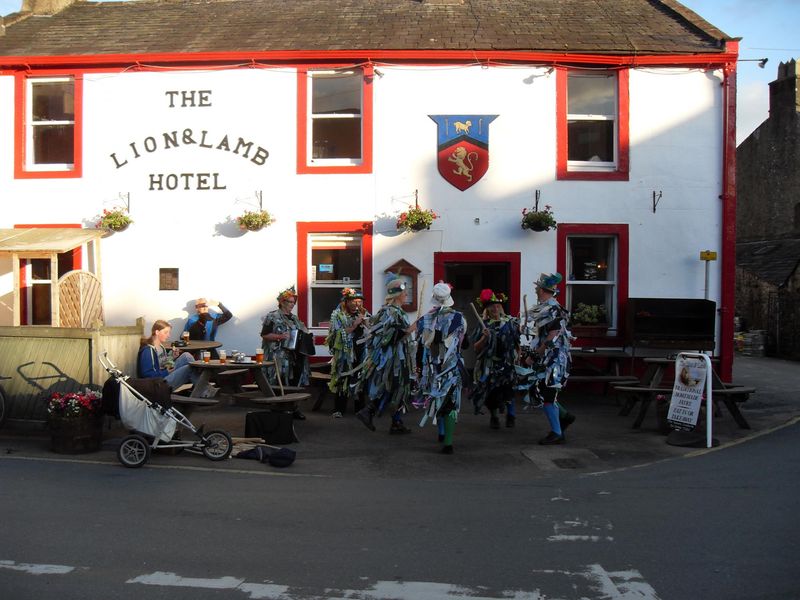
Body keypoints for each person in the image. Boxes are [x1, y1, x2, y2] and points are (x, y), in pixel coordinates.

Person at [355, 274, 416, 434]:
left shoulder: (397, 311)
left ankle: (395, 422)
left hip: (399, 356)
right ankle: (368, 411)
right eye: (404, 292)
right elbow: (387, 336)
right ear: (397, 294)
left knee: (398, 388)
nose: (407, 295)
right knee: (393, 386)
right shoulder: (389, 311)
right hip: (391, 359)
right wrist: (410, 329)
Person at [522, 273, 576, 445]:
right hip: (549, 358)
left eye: (538, 287)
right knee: (544, 392)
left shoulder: (553, 309)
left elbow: (552, 337)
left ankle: (557, 433)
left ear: (543, 290)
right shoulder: (546, 308)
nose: (536, 290)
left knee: (547, 394)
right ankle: (565, 417)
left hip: (554, 360)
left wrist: (534, 355)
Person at [416, 282, 467, 455]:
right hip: (451, 367)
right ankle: (448, 443)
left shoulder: (426, 319)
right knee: (450, 402)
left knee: (437, 397)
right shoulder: (460, 318)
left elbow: (421, 345)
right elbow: (463, 344)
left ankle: (441, 432)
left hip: (433, 367)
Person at [471, 288, 520, 429]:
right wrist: (484, 338)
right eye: (491, 306)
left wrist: (518, 356)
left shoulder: (510, 323)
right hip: (489, 364)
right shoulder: (483, 325)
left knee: (508, 390)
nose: (495, 308)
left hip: (507, 363)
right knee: (491, 392)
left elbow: (517, 343)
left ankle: (511, 415)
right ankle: (494, 416)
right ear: (487, 309)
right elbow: (475, 348)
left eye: (498, 305)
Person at [260, 286, 310, 419]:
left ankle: (293, 408)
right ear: (281, 302)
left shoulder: (294, 318)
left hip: (294, 356)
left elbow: (303, 331)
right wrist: (280, 337)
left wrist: (308, 337)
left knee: (294, 381)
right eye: (289, 302)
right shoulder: (272, 316)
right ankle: (277, 409)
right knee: (278, 380)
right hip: (277, 356)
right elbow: (264, 335)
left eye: (294, 302)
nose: (292, 305)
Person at [326, 287, 371, 418]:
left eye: (359, 302)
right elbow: (337, 334)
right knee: (342, 379)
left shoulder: (364, 313)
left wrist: (367, 323)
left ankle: (360, 409)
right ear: (346, 302)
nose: (357, 304)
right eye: (353, 301)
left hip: (361, 352)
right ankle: (338, 409)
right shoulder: (337, 315)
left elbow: (372, 330)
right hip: (344, 354)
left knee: (360, 379)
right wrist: (355, 324)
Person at [137, 319, 197, 390]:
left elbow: (164, 365)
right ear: (157, 332)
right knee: (189, 368)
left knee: (186, 356)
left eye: (169, 333)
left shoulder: (161, 347)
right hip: (159, 385)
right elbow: (147, 375)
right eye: (166, 332)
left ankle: (201, 386)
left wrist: (172, 357)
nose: (168, 335)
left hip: (165, 376)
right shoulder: (148, 351)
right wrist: (166, 372)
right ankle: (203, 389)